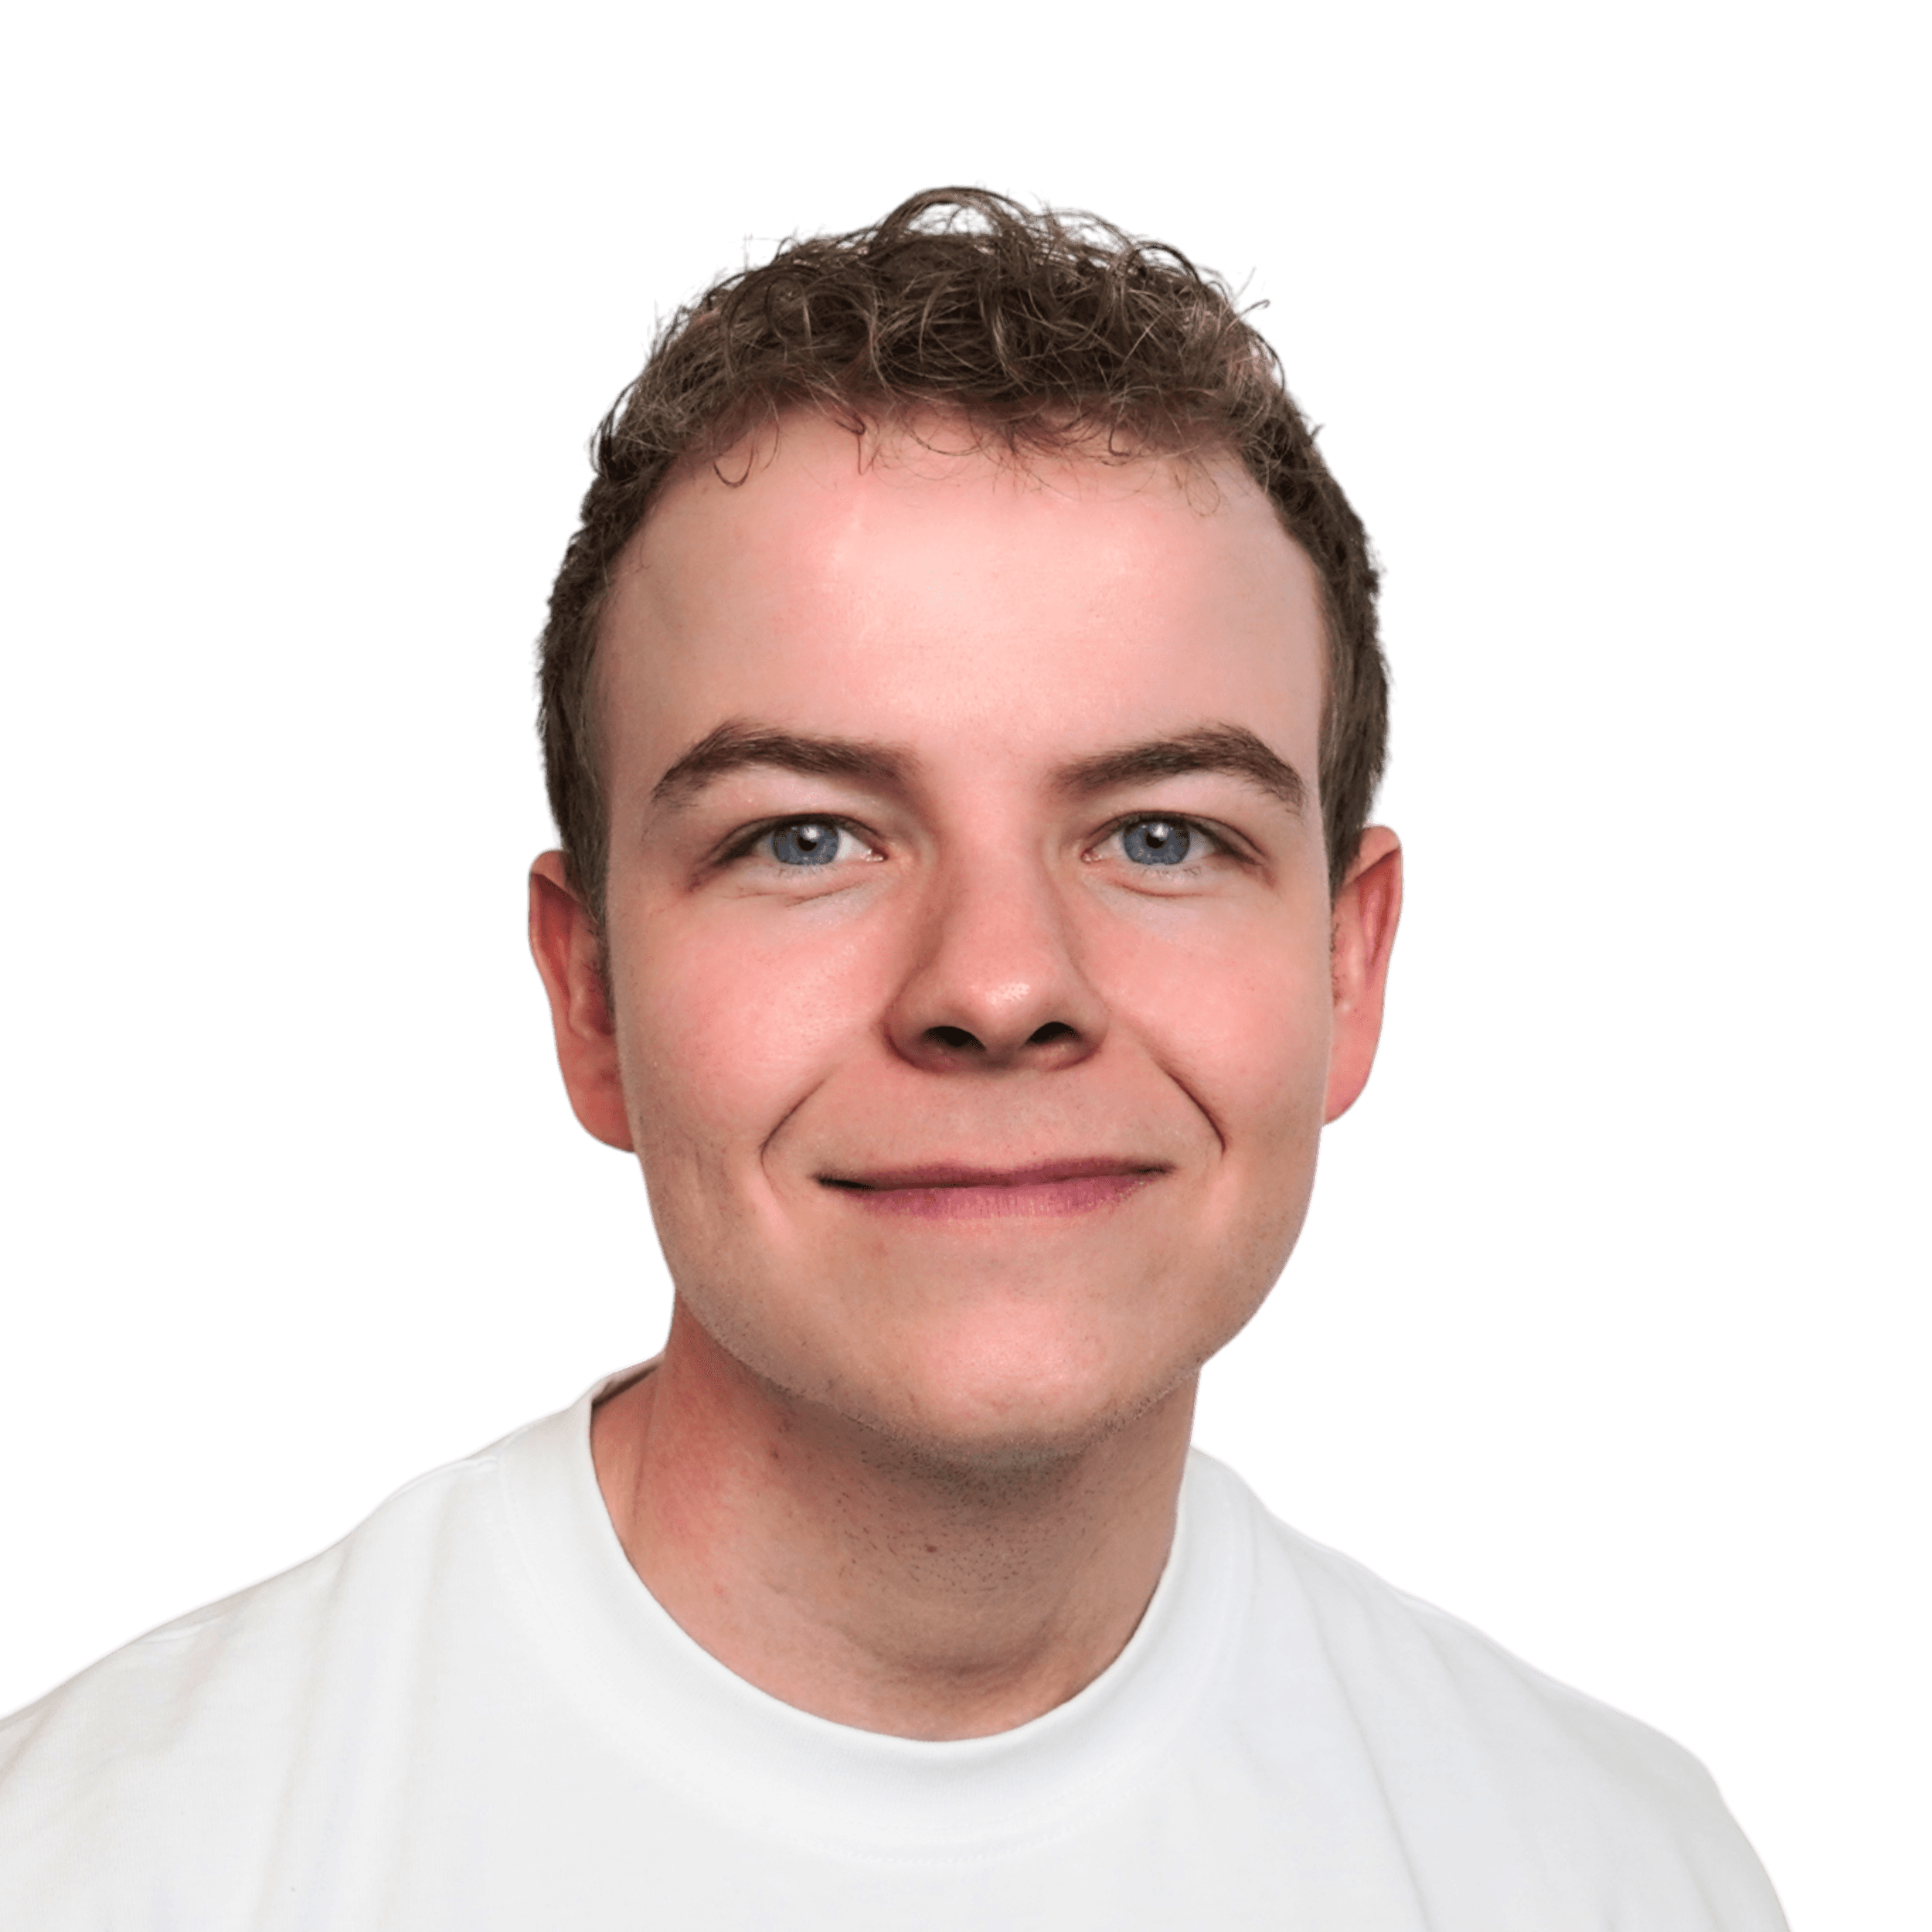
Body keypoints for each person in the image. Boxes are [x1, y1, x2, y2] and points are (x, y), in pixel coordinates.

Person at [0, 183, 1791, 1929]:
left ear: (1348, 959)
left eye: (1160, 833)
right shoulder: (99, 1862)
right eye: (805, 836)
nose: (999, 986)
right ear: (592, 996)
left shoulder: (1613, 1867)